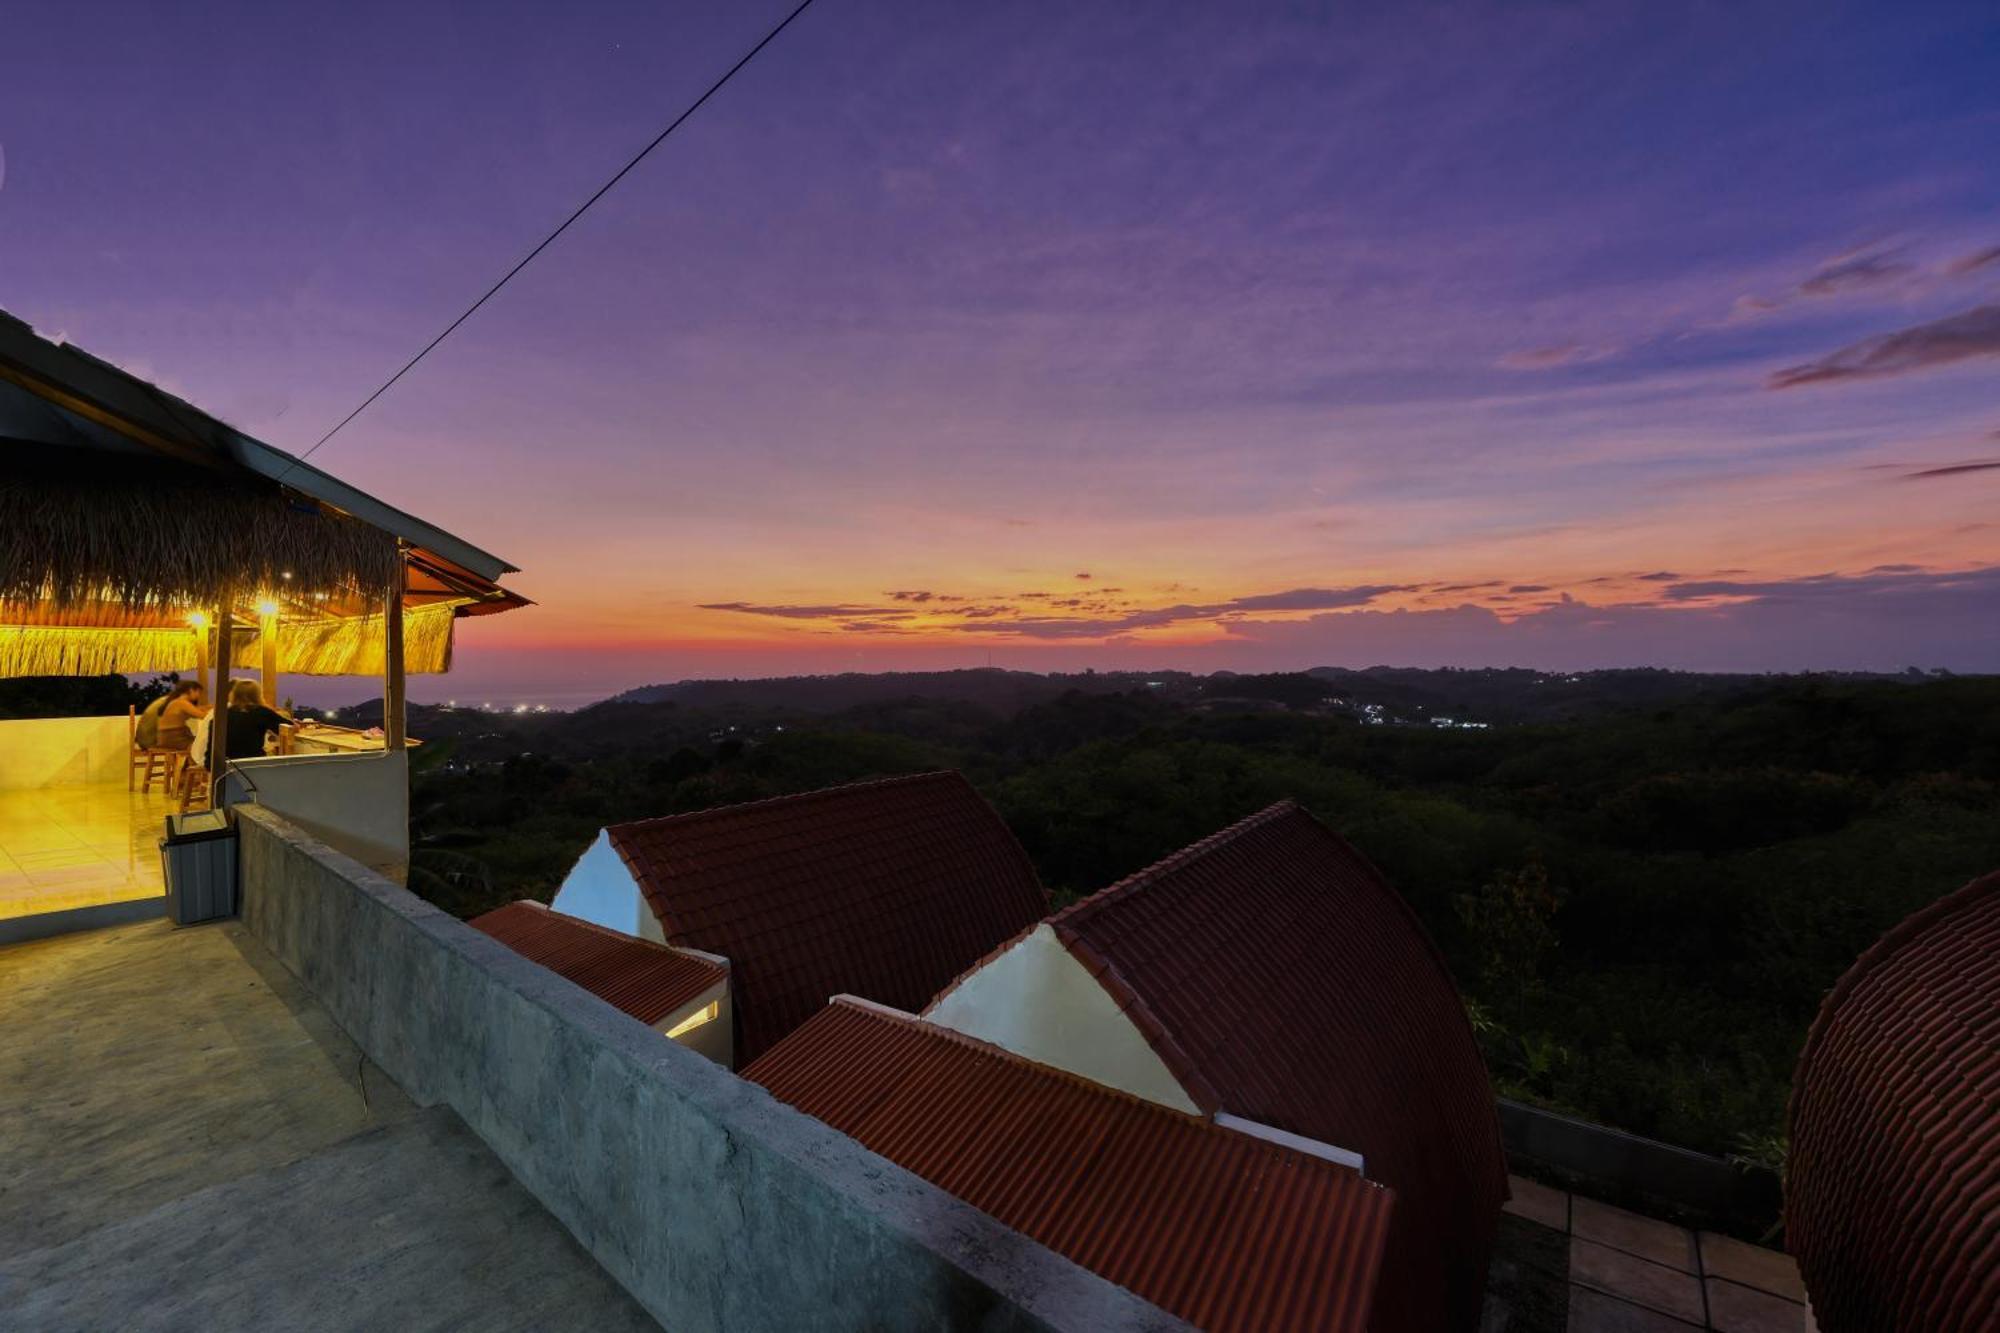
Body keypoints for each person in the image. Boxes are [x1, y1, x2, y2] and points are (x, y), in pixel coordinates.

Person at [224, 679, 293, 761]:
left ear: (234, 695)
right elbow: (288, 727)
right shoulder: (262, 712)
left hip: (227, 766)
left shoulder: (222, 715)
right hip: (255, 764)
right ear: (257, 695)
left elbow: (210, 753)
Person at [154, 679, 208, 753]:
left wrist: (210, 707)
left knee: (200, 742)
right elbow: (203, 716)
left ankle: (188, 763)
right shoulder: (181, 703)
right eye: (198, 692)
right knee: (202, 744)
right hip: (173, 737)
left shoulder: (177, 702)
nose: (199, 695)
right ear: (191, 690)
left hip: (168, 737)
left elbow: (198, 709)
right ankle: (192, 763)